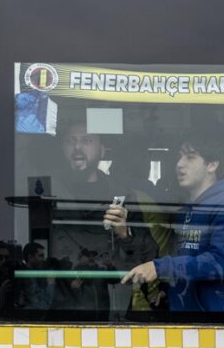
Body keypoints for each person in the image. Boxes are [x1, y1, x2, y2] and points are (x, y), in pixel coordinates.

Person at [122, 133, 224, 313]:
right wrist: (167, 291)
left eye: (191, 157)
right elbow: (187, 260)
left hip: (222, 322)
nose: (180, 164)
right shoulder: (187, 211)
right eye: (179, 156)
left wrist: (160, 267)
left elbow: (220, 263)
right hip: (188, 316)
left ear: (212, 164)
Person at [48, 122, 158, 315]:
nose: (77, 148)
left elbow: (149, 256)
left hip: (110, 309)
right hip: (55, 311)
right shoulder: (47, 192)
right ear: (61, 149)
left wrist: (125, 235)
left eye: (86, 141)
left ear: (102, 149)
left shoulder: (122, 196)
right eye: (70, 141)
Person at [13, 242, 55, 310]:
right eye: (40, 256)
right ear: (30, 257)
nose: (43, 259)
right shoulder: (26, 277)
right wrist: (51, 284)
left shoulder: (36, 273)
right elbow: (42, 306)